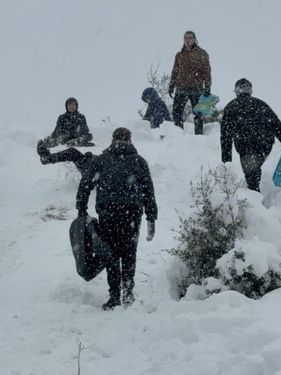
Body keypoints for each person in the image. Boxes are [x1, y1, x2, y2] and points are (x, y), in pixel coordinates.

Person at [76, 127, 158, 310]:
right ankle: (128, 293)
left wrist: (81, 208)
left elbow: (85, 184)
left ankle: (114, 296)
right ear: (130, 140)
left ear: (113, 140)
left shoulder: (101, 160)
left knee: (111, 254)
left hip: (108, 214)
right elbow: (148, 191)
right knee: (129, 253)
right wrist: (151, 217)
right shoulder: (138, 161)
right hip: (131, 214)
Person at [220, 78, 281, 192]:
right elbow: (277, 126)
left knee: (251, 175)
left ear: (237, 91)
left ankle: (255, 199)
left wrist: (226, 162)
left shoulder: (230, 107)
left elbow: (225, 137)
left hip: (245, 146)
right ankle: (255, 191)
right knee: (253, 168)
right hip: (264, 145)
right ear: (250, 91)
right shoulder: (261, 104)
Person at [168, 30, 211, 134]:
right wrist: (171, 85)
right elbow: (175, 71)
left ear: (195, 39)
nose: (188, 40)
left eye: (190, 38)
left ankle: (199, 136)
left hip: (196, 88)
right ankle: (178, 135)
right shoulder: (179, 55)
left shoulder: (201, 53)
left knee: (198, 114)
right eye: (186, 38)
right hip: (181, 88)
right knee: (176, 113)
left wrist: (207, 87)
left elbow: (207, 71)